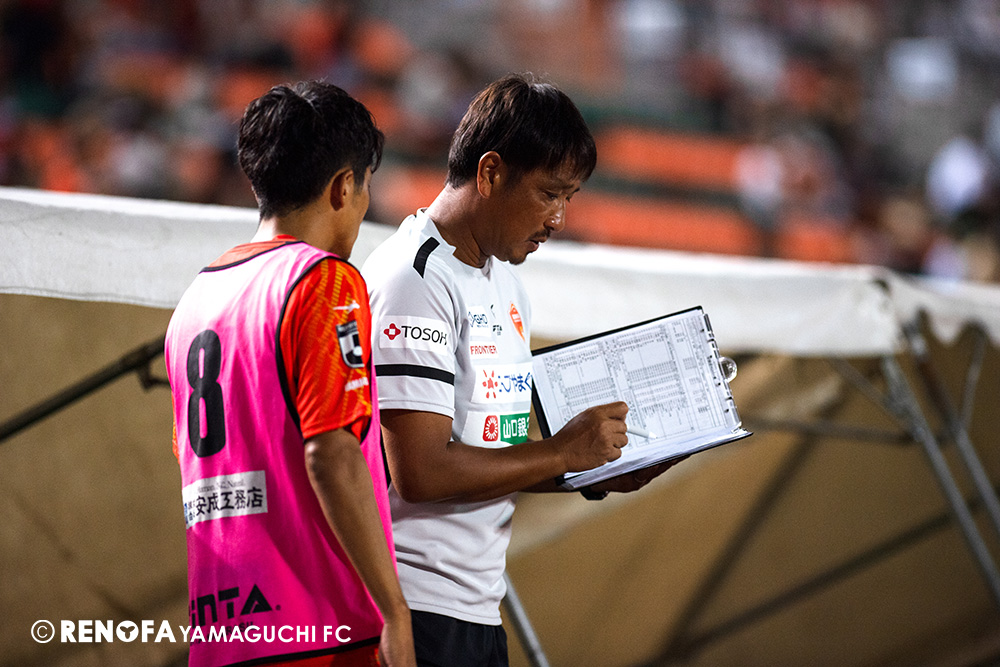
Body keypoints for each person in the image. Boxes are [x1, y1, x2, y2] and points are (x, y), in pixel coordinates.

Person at [361, 72, 676, 667]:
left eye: (569, 199)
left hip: (478, 607)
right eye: (549, 194)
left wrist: (590, 472)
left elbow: (488, 457)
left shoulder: (505, 282)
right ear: (490, 172)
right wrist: (562, 453)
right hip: (413, 607)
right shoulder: (413, 279)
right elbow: (421, 472)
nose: (559, 219)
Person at [164, 81, 415, 667]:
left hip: (220, 634)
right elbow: (331, 454)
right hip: (318, 631)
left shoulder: (194, 302)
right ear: (344, 186)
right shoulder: (325, 281)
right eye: (366, 186)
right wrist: (394, 611)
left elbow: (192, 457)